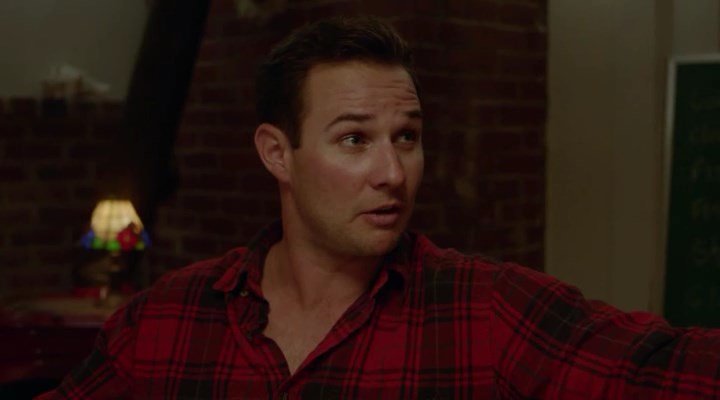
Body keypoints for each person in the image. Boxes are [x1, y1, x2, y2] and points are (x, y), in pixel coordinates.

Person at [39, 16, 720, 400]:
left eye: (407, 138)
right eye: (354, 140)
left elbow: (668, 369)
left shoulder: (485, 314)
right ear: (277, 154)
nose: (393, 174)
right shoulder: (167, 321)